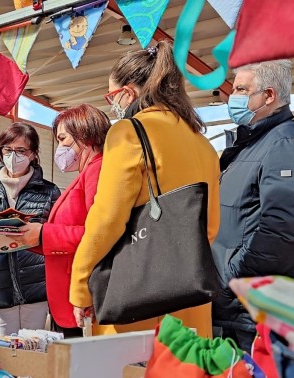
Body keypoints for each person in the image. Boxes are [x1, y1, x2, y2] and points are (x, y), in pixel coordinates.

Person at [69, 41, 221, 338]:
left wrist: (80, 285)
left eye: (112, 95)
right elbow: (211, 226)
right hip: (190, 297)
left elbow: (107, 220)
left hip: (137, 300)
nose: (112, 104)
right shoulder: (202, 143)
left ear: (128, 92)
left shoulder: (128, 132)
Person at [212, 60, 294, 352]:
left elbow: (281, 234)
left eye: (241, 89)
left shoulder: (286, 145)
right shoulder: (252, 144)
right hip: (237, 308)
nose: (232, 97)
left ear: (269, 95)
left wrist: (228, 280)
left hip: (254, 311)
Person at [12, 104, 112, 338]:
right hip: (70, 297)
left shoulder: (98, 170)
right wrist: (32, 237)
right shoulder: (87, 173)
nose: (61, 148)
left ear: (84, 133)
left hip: (82, 298)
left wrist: (44, 234)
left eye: (64, 139)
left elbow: (100, 233)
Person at [0, 122, 61, 336]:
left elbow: (56, 233)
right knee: (4, 350)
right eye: (8, 150)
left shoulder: (49, 192)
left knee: (34, 349)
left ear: (33, 154)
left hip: (37, 287)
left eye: (21, 151)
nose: (14, 156)